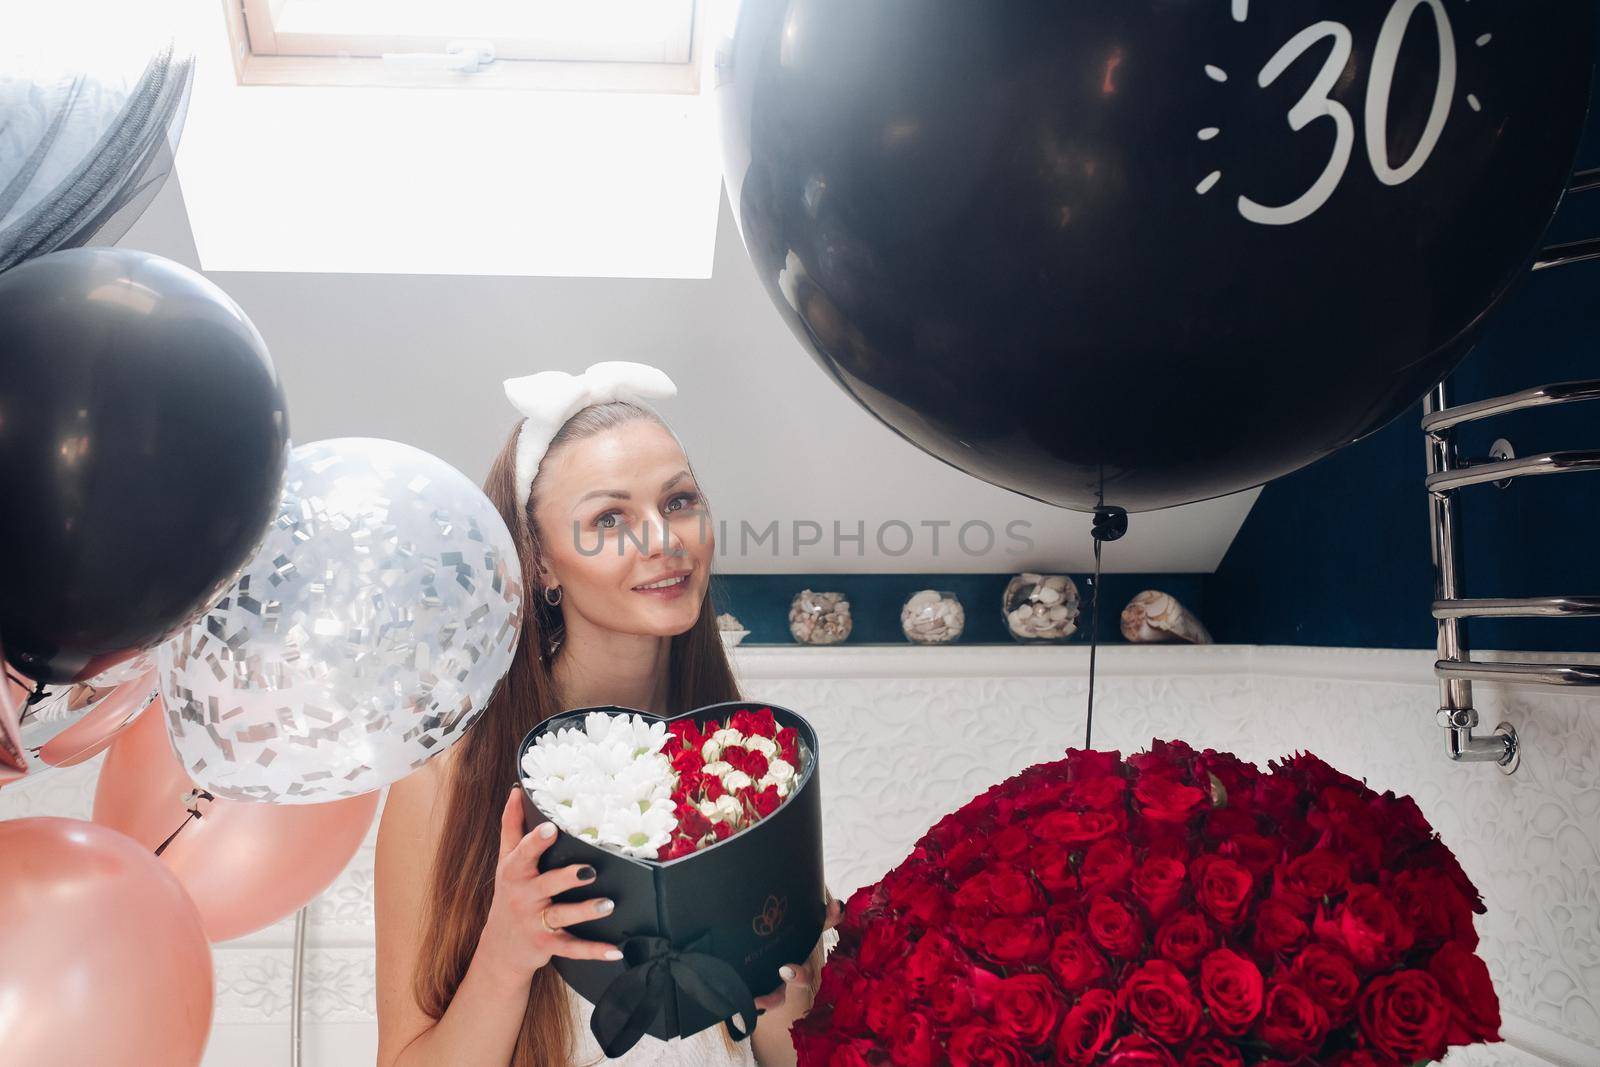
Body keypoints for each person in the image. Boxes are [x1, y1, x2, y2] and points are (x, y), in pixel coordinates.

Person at [374, 362, 840, 1067]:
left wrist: (789, 976)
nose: (664, 539)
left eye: (679, 500)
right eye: (609, 518)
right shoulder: (444, 781)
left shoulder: (750, 767)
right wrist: (506, 956)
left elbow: (786, 1053)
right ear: (540, 564)